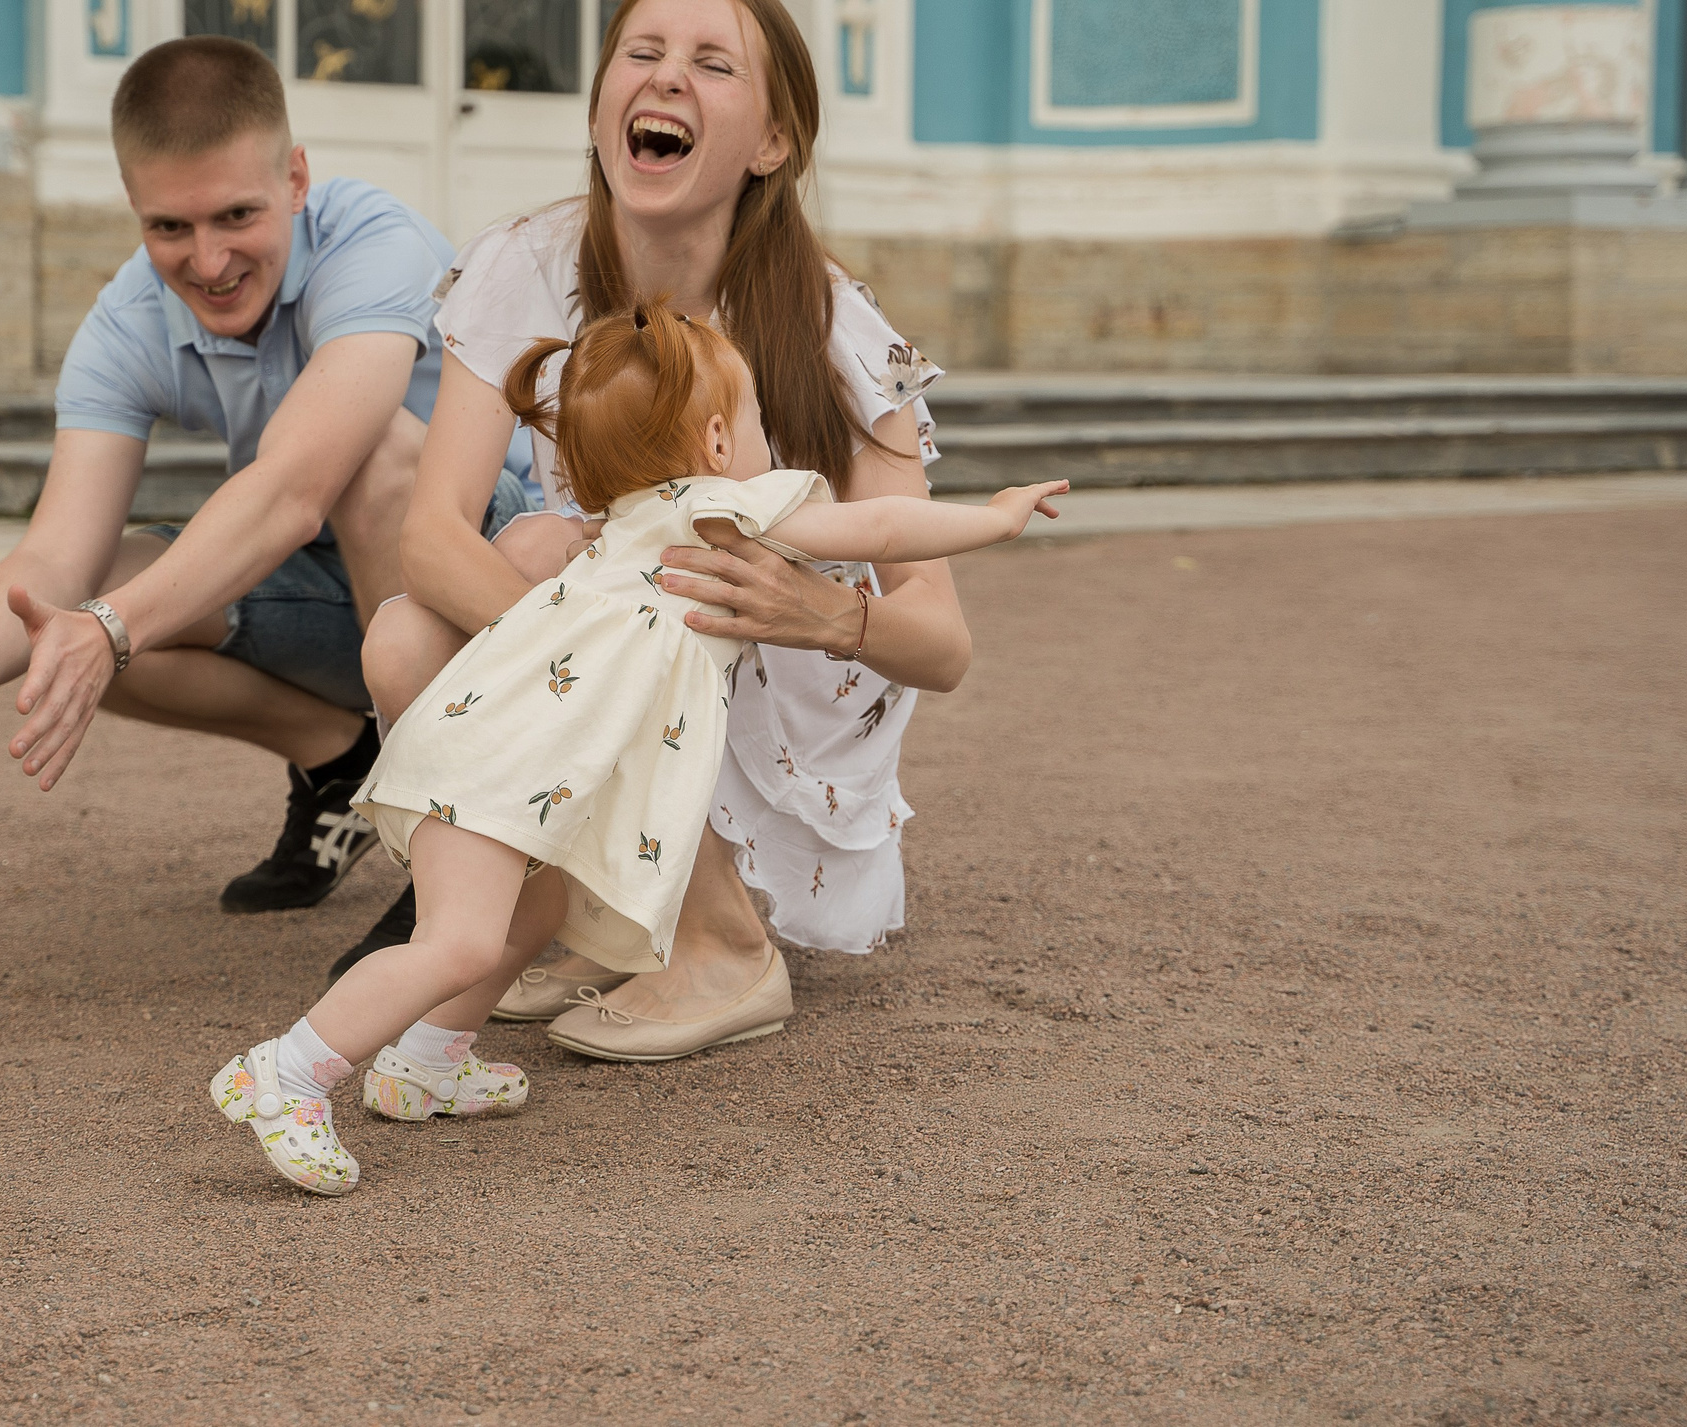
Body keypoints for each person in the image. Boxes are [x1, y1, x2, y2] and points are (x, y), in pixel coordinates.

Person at [210, 308, 1066, 1194]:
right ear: (721, 437)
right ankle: (292, 1070)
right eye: (758, 423)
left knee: (535, 915)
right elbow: (880, 530)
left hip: (497, 763)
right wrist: (995, 519)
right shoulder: (717, 509)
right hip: (495, 776)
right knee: (459, 942)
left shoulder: (617, 526)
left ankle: (426, 1059)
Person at [355, 0, 973, 1061]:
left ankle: (724, 946)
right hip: (635, 627)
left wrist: (816, 610)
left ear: (772, 144)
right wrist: (570, 656)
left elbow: (942, 639)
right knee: (415, 633)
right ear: (601, 108)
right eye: (640, 55)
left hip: (776, 667)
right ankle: (603, 917)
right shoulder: (527, 264)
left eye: (710, 64)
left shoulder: (830, 327)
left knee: (590, 579)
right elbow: (433, 536)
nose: (665, 79)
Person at [0, 36, 523, 915]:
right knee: (66, 614)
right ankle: (342, 759)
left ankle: (447, 830)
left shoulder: (373, 240)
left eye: (236, 217)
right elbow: (58, 555)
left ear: (296, 179)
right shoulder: (126, 322)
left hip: (502, 581)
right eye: (170, 226)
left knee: (371, 460)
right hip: (349, 600)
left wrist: (111, 628)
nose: (207, 263)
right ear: (135, 207)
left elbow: (294, 488)